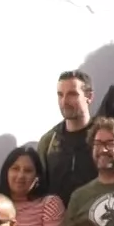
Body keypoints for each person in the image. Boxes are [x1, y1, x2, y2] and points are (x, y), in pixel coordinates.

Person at [38, 70, 97, 204]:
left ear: (89, 97)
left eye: (72, 94)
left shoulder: (105, 136)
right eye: (60, 95)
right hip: (59, 221)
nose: (64, 101)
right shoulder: (49, 142)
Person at [0, 145, 63, 226]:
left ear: (37, 177)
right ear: (6, 172)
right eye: (15, 168)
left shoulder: (49, 203)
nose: (21, 175)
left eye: (28, 171)